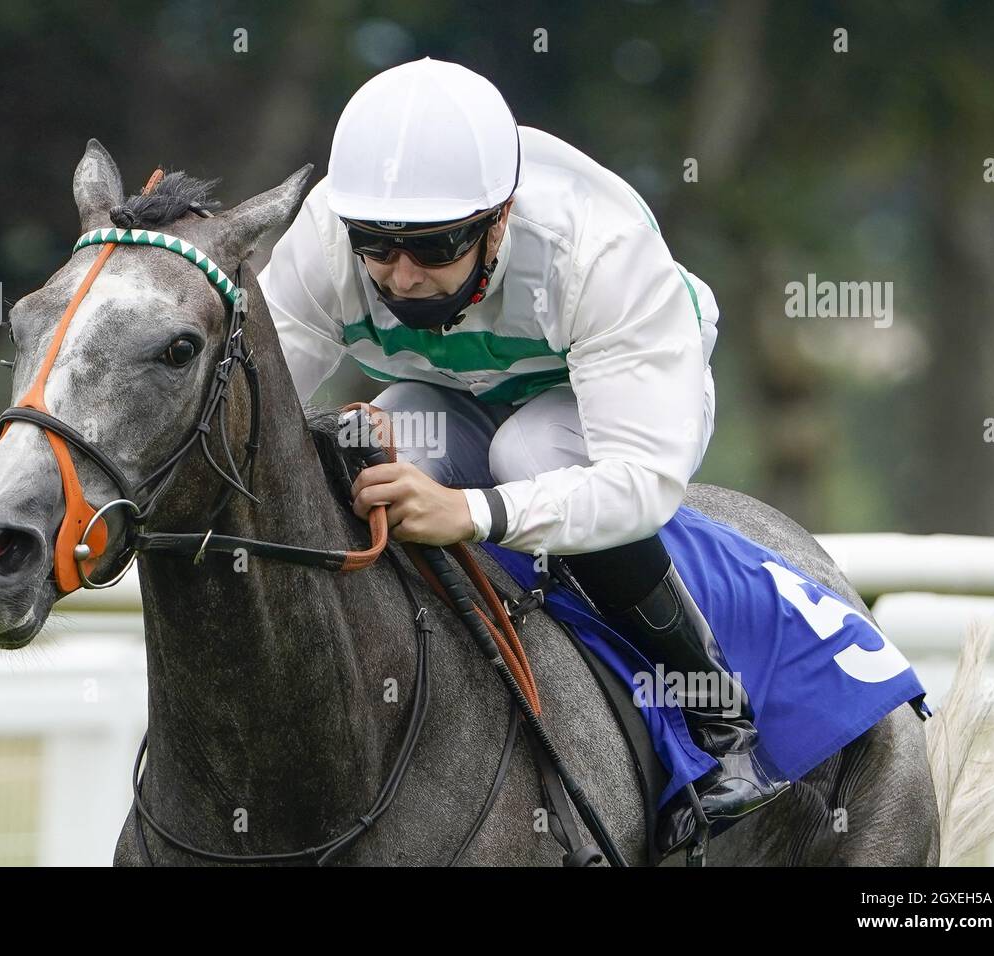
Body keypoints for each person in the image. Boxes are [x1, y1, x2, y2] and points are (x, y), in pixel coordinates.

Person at [259, 56, 787, 838]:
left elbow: (640, 483)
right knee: (385, 441)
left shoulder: (595, 250)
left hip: (605, 400)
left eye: (434, 247)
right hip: (454, 395)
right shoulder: (325, 235)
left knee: (530, 451)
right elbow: (260, 415)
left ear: (498, 218)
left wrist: (470, 511)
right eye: (376, 244)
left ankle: (718, 714)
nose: (400, 276)